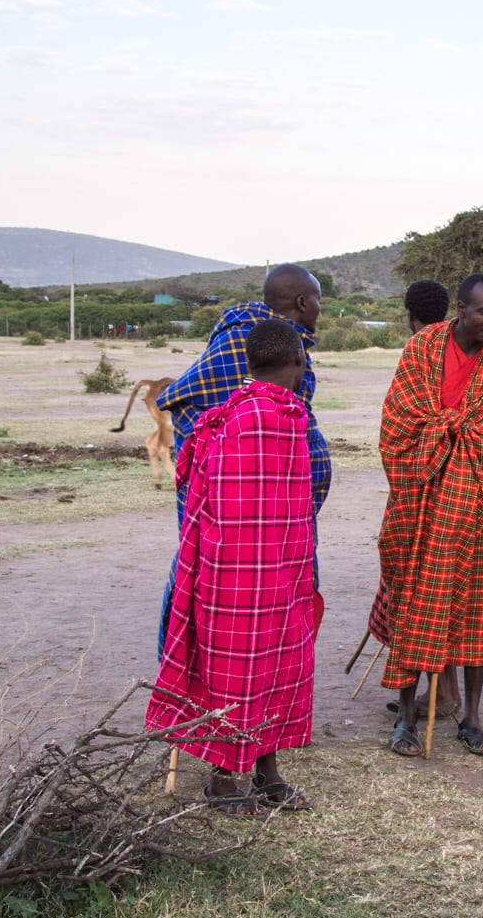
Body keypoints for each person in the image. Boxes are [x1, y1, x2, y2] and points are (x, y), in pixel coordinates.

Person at [146, 318, 318, 815]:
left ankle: (267, 773)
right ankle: (224, 782)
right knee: (237, 671)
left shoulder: (245, 416)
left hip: (277, 567)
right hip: (238, 573)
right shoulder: (254, 419)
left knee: (275, 665)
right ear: (298, 362)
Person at [371, 275, 483, 758]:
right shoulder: (421, 351)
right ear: (460, 309)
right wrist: (450, 431)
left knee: (476, 608)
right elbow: (399, 423)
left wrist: (450, 435)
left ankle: (472, 719)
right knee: (415, 602)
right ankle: (406, 718)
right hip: (420, 505)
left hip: (481, 507)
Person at [154, 264, 329, 656]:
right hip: (236, 519)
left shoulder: (277, 340)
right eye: (318, 300)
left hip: (276, 520)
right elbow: (198, 414)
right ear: (303, 301)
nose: (320, 309)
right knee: (222, 604)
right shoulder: (244, 345)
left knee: (272, 609)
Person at [370, 279, 462, 722]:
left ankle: (440, 695)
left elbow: (398, 432)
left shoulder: (418, 354)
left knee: (420, 584)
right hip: (462, 488)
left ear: (410, 315)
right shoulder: (462, 353)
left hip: (426, 491)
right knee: (442, 583)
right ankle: (444, 691)